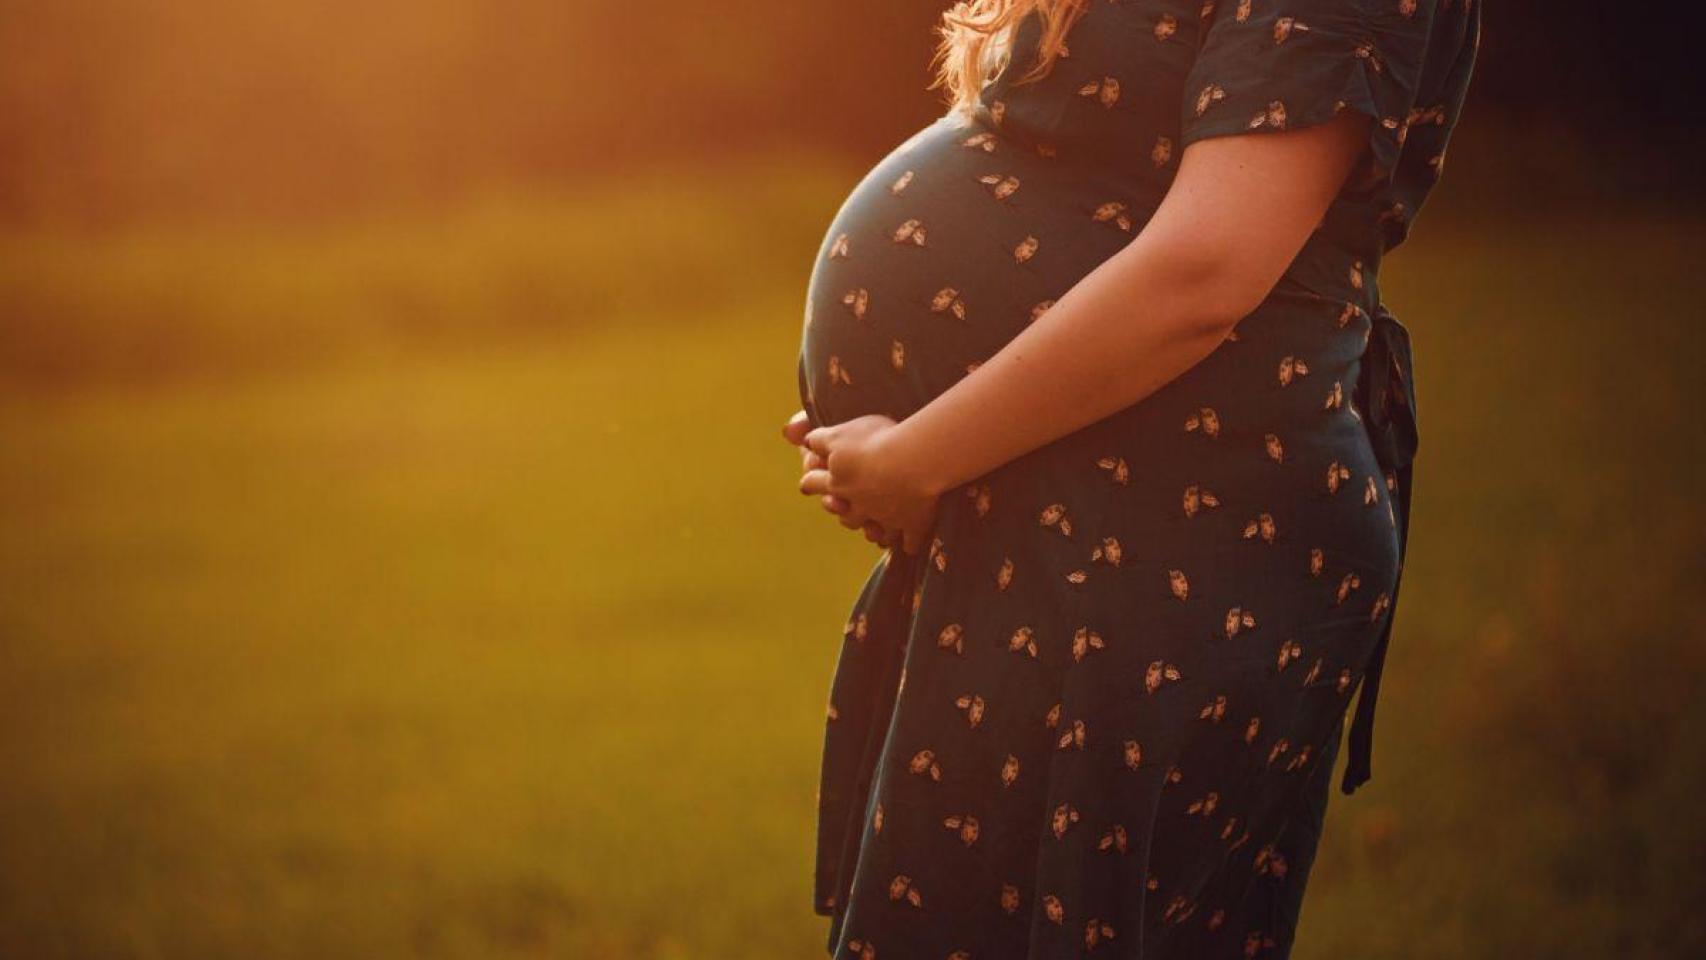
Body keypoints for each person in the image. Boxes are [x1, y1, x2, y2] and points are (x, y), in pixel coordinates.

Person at [782, 2, 1480, 957]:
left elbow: (1208, 268)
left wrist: (916, 457)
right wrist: (907, 437)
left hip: (1175, 540)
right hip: (1051, 522)